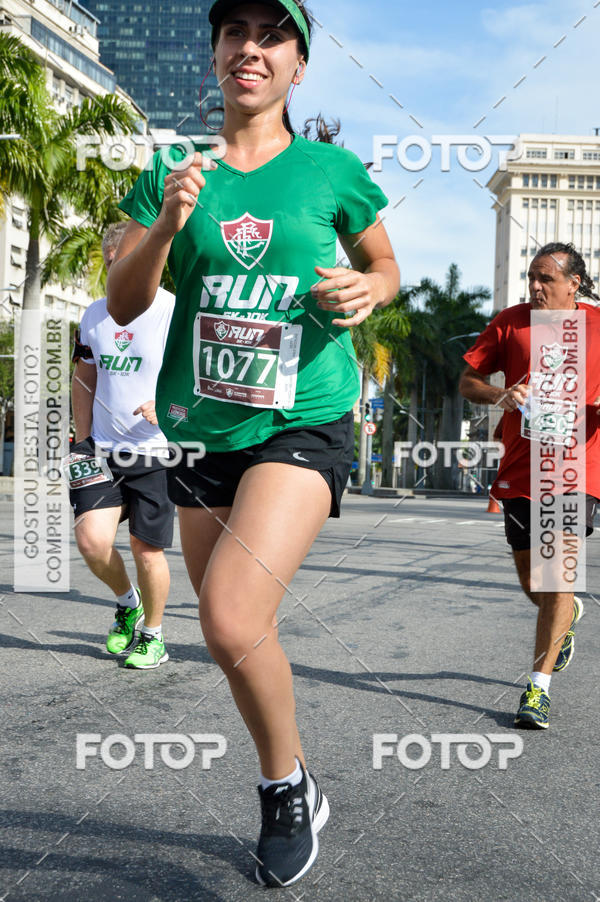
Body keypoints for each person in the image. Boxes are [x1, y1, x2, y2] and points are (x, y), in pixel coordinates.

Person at [107, 0, 399, 886]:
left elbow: (386, 263)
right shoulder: (170, 171)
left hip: (303, 415)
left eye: (273, 36)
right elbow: (122, 304)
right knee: (233, 632)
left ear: (298, 67)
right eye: (236, 33)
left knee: (233, 615)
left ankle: (280, 787)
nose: (251, 48)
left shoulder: (331, 171)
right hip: (202, 430)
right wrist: (164, 225)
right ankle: (299, 778)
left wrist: (371, 290)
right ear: (216, 56)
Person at [459, 243, 600, 729]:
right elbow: (467, 381)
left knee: (557, 573)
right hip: (521, 465)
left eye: (545, 278)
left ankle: (537, 689)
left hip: (579, 466)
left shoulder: (599, 327)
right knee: (534, 579)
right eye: (531, 277)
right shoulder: (511, 321)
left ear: (573, 283)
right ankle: (567, 616)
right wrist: (503, 393)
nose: (535, 286)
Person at [67, 222, 175, 669]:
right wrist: (81, 440)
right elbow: (84, 377)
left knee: (146, 550)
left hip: (155, 450)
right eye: (118, 265)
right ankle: (127, 604)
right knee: (92, 542)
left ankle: (153, 635)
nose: (126, 273)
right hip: (102, 449)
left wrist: (167, 404)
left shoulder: (174, 309)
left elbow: (196, 373)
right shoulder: (93, 315)